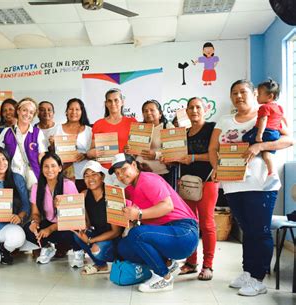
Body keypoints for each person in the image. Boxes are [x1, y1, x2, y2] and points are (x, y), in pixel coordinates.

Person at [208, 79, 292, 296]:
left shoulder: (267, 113)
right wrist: (216, 168)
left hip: (261, 183)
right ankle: (248, 272)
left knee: (259, 230)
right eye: (234, 93)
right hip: (232, 184)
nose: (239, 96)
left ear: (255, 93)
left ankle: (258, 278)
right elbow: (212, 148)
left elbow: (288, 140)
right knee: (248, 230)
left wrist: (260, 146)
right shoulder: (224, 120)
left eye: (243, 92)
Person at [110, 153, 198, 292]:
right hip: (166, 233)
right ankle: (168, 264)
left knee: (137, 234)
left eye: (124, 169)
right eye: (117, 173)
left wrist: (139, 214)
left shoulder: (147, 179)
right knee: (124, 247)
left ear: (134, 165)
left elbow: (167, 206)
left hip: (184, 232)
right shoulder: (129, 190)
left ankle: (164, 277)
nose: (121, 175)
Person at [173, 97, 218, 280]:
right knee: (190, 223)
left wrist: (192, 158)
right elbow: (177, 156)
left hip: (207, 182)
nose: (194, 111)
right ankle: (191, 262)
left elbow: (215, 154)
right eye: (190, 108)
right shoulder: (183, 132)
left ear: (205, 109)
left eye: (198, 107)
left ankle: (208, 265)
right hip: (186, 184)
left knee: (207, 223)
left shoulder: (212, 128)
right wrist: (168, 157)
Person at [24, 153, 81, 264]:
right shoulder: (37, 187)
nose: (50, 170)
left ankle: (77, 251)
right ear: (41, 169)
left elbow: (75, 217)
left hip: (68, 226)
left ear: (60, 168)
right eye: (46, 166)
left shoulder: (68, 185)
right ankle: (47, 248)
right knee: (28, 229)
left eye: (53, 166)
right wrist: (35, 222)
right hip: (50, 223)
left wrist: (50, 229)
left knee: (71, 233)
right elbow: (35, 213)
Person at [72, 160, 123, 274]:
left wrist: (90, 240)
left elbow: (116, 232)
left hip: (114, 239)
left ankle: (116, 261)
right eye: (86, 175)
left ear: (102, 176)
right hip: (97, 234)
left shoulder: (111, 194)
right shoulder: (84, 194)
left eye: (94, 174)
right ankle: (101, 265)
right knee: (77, 236)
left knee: (97, 249)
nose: (90, 178)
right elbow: (88, 224)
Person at [242, 79, 287, 184]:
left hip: (265, 132)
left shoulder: (264, 107)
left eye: (259, 94)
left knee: (245, 140)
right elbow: (282, 119)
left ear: (270, 96)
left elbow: (263, 120)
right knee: (267, 155)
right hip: (274, 134)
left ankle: (246, 169)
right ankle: (272, 174)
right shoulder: (279, 108)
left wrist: (259, 134)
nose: (257, 97)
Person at [0, 98, 48, 184]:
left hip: (33, 177)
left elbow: (41, 156)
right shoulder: (7, 132)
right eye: (24, 110)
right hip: (12, 176)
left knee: (33, 197)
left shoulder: (37, 133)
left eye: (31, 112)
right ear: (18, 111)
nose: (27, 114)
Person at [87, 88, 137, 170]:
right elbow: (90, 152)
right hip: (104, 170)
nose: (113, 103)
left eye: (116, 100)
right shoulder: (98, 124)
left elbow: (139, 149)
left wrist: (133, 150)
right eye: (109, 101)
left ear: (122, 102)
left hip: (126, 169)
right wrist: (92, 153)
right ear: (106, 103)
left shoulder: (132, 122)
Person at [135, 99, 177, 189]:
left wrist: (156, 155)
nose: (148, 113)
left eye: (152, 110)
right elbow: (133, 153)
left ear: (160, 113)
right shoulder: (138, 129)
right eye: (145, 111)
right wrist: (129, 149)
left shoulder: (168, 128)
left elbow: (176, 154)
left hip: (161, 175)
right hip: (140, 174)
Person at [53, 98, 92, 192]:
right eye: (70, 109)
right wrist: (51, 145)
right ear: (66, 111)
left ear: (82, 112)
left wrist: (85, 155)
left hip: (86, 175)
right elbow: (52, 154)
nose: (73, 112)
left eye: (77, 109)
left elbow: (94, 153)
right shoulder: (57, 128)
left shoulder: (89, 130)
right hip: (64, 175)